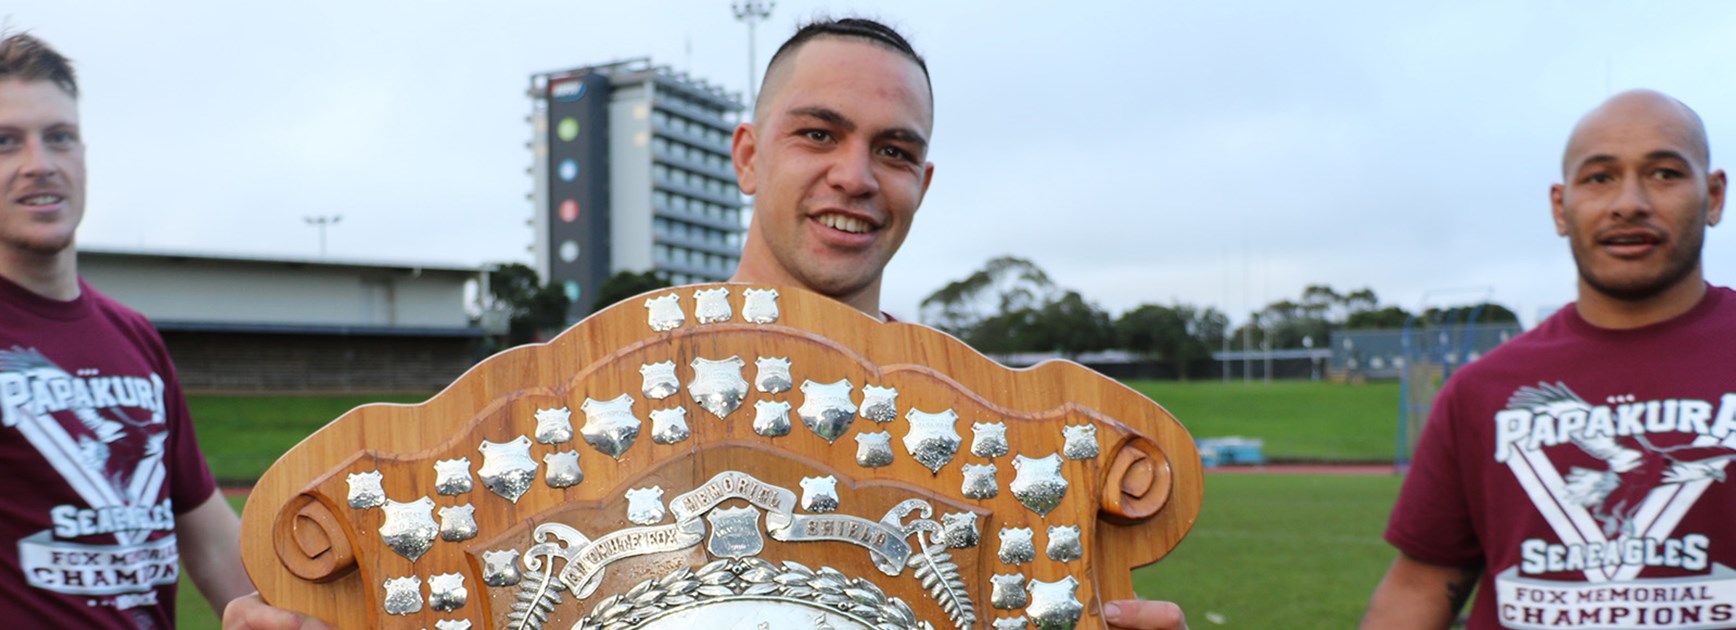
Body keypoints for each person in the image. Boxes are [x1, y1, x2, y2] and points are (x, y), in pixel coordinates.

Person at [225, 17, 1188, 630]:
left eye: (893, 151)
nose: (855, 176)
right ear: (746, 154)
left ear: (921, 185)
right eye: (818, 133)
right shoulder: (584, 410)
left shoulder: (985, 437)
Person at [1363, 89, 1731, 629]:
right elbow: (1419, 585)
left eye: (1665, 173)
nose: (1629, 202)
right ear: (1561, 206)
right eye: (1599, 177)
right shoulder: (1481, 389)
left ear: (1714, 195)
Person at [0, 32, 254, 628]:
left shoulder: (134, 336)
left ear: (83, 155)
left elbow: (213, 540)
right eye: (6, 142)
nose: (40, 164)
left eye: (59, 137)